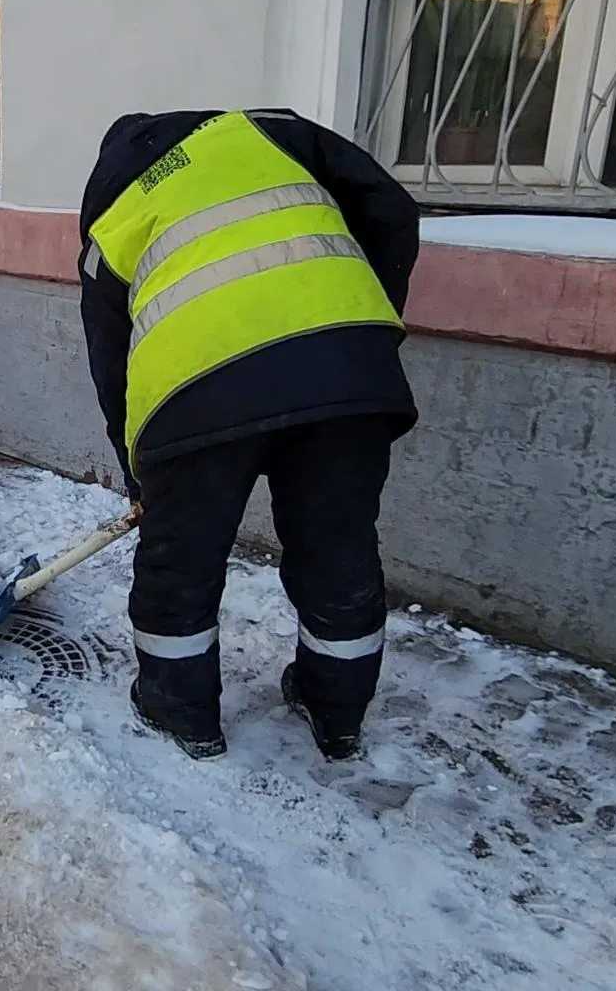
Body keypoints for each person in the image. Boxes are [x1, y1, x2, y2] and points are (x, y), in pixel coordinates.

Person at [76, 108, 419, 762]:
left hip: (196, 386)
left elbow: (110, 358)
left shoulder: (120, 212)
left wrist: (138, 468)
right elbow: (391, 208)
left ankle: (181, 712)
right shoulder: (274, 137)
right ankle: (336, 714)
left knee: (183, 559)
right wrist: (361, 326)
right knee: (337, 549)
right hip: (347, 378)